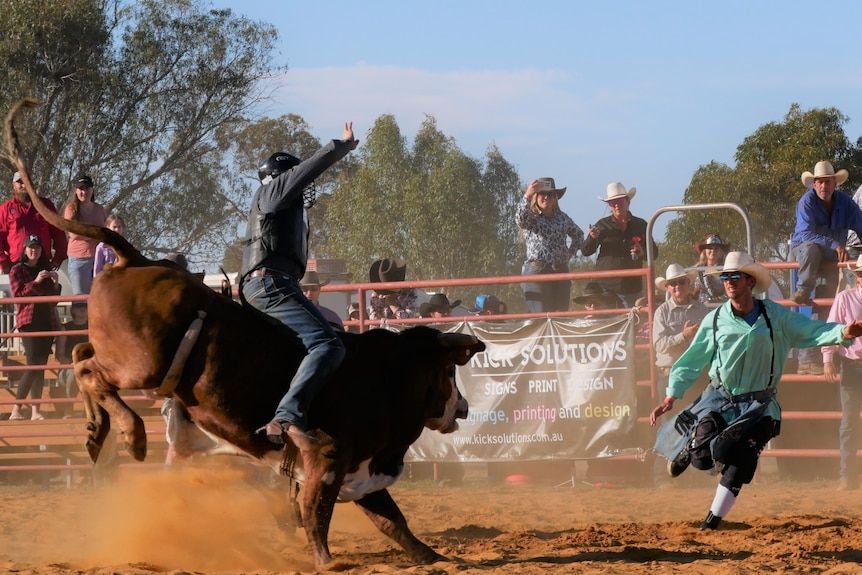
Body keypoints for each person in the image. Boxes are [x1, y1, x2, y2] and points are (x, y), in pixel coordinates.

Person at [651, 251, 862, 530]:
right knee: (703, 458)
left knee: (744, 460)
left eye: (734, 277)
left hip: (761, 404)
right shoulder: (715, 320)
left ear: (750, 282)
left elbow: (811, 330)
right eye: (725, 277)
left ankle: (712, 521)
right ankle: (691, 449)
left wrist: (842, 333)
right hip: (721, 398)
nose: (728, 282)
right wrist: (671, 395)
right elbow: (692, 359)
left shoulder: (775, 316)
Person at [239, 124, 358, 450]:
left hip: (265, 285)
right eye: (292, 176)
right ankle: (287, 416)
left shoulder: (274, 202)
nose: (302, 184)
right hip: (271, 285)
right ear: (279, 176)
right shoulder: (273, 192)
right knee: (328, 345)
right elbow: (308, 169)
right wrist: (341, 146)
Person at [790, 161, 862, 375]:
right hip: (808, 255)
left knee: (825, 307)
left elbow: (860, 226)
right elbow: (804, 235)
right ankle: (803, 287)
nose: (824, 186)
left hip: (831, 258)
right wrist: (835, 244)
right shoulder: (806, 202)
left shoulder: (846, 203)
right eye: (819, 182)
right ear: (813, 184)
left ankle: (811, 358)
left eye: (827, 181)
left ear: (834, 183)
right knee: (811, 249)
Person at [8, 235, 61, 421]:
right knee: (33, 365)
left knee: (40, 367)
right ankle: (16, 409)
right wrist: (36, 281)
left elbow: (53, 301)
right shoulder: (17, 270)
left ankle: (35, 411)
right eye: (31, 247)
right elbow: (18, 295)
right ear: (24, 250)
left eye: (37, 247)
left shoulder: (46, 269)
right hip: (28, 324)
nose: (34, 250)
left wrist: (55, 284)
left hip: (47, 322)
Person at [822, 255, 862, 491]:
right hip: (851, 365)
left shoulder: (846, 298)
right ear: (856, 277)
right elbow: (831, 329)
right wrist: (828, 359)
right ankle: (847, 475)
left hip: (851, 365)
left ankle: (848, 476)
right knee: (849, 422)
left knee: (849, 422)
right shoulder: (844, 298)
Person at [582, 182, 656, 307]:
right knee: (607, 323)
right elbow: (585, 251)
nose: (616, 205)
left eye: (620, 201)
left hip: (631, 288)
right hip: (605, 288)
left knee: (632, 323)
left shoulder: (641, 225)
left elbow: (654, 253)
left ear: (627, 202)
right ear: (609, 205)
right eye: (612, 203)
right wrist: (592, 237)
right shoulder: (601, 225)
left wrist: (642, 252)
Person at [517, 177, 584, 313]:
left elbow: (579, 235)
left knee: (560, 317)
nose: (546, 197)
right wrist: (527, 196)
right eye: (542, 193)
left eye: (550, 194)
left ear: (555, 198)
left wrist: (571, 251)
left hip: (561, 271)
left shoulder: (562, 218)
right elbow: (520, 219)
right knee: (542, 316)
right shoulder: (532, 217)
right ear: (536, 196)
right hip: (538, 272)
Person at [652, 264, 709, 398]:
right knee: (670, 416)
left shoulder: (702, 309)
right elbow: (659, 344)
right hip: (670, 374)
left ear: (688, 283)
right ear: (667, 288)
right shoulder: (661, 312)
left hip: (697, 373)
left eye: (681, 281)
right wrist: (683, 336)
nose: (678, 286)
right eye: (673, 283)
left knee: (700, 416)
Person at [0, 171, 67, 274]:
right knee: (21, 291)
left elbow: (59, 233)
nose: (23, 185)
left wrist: (59, 257)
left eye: (26, 182)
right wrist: (3, 263)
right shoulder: (5, 209)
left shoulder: (46, 205)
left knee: (46, 290)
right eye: (20, 182)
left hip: (43, 264)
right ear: (13, 186)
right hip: (16, 265)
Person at [63, 175, 107, 294]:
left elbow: (106, 232)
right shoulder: (71, 209)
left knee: (100, 297)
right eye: (81, 189)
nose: (84, 192)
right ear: (76, 191)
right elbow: (73, 234)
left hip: (100, 259)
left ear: (92, 190)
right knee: (81, 299)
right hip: (79, 259)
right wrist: (96, 233)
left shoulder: (100, 209)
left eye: (87, 188)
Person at [52, 302, 88, 418]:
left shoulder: (94, 327)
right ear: (73, 310)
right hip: (69, 367)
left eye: (85, 306)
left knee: (94, 376)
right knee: (73, 374)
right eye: (78, 307)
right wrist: (70, 363)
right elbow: (59, 355)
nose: (82, 309)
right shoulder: (65, 328)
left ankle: (89, 411)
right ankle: (69, 408)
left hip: (89, 366)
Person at [691, 234, 731, 304]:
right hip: (704, 310)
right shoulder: (698, 271)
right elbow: (698, 293)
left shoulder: (728, 269)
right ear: (705, 251)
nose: (713, 250)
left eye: (716, 248)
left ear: (721, 251)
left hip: (725, 308)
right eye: (710, 248)